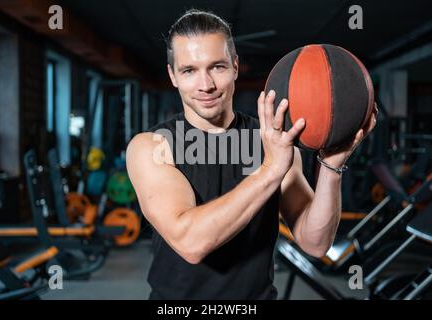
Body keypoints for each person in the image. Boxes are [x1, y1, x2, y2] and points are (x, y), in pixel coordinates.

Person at [126, 9, 377, 299]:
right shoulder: (153, 146)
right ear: (173, 76)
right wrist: (270, 169)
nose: (205, 84)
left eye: (217, 67)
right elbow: (190, 242)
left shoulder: (273, 140)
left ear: (234, 66)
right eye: (189, 70)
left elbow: (315, 243)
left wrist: (331, 167)